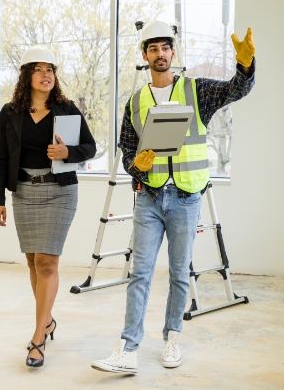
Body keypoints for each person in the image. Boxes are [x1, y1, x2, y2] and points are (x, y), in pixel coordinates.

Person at [91, 20, 255, 374]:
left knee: (180, 272)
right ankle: (129, 349)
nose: (160, 54)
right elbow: (127, 149)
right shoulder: (135, 101)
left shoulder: (197, 91)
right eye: (153, 49)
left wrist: (245, 66)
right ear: (145, 55)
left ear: (173, 52)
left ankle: (172, 339)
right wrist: (137, 166)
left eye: (165, 47)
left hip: (185, 196)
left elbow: (235, 90)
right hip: (149, 197)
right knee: (140, 273)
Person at [0, 45, 96, 368]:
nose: (46, 74)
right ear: (26, 75)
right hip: (23, 192)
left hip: (60, 192)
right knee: (34, 263)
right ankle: (47, 320)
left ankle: (38, 339)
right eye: (38, 69)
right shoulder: (10, 113)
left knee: (48, 262)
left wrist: (68, 154)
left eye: (50, 69)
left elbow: (90, 147)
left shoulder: (67, 109)